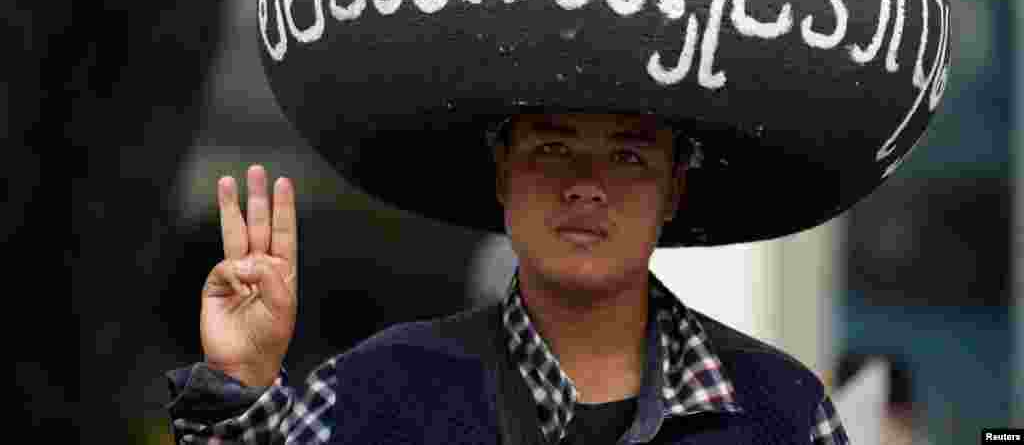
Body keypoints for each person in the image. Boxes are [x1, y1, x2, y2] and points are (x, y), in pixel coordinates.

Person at [165, 111, 849, 444]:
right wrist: (241, 378)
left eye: (629, 157)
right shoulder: (373, 393)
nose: (586, 185)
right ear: (502, 175)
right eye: (552, 148)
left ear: (674, 190)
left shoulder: (784, 415)